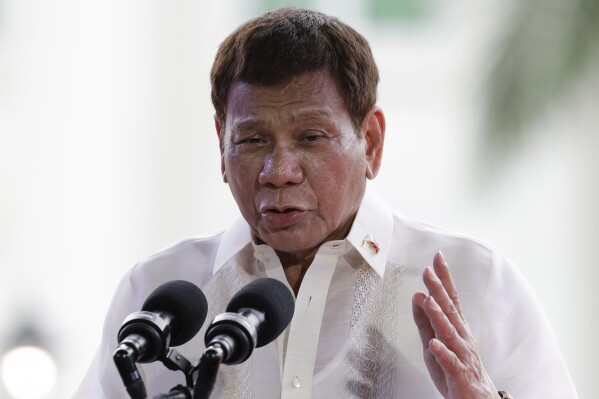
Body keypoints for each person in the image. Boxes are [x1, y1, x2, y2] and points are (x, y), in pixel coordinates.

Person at [75, 7, 578, 399]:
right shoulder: (157, 298)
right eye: (251, 141)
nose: (278, 172)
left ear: (372, 142)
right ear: (220, 145)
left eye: (311, 137)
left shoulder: (477, 284)